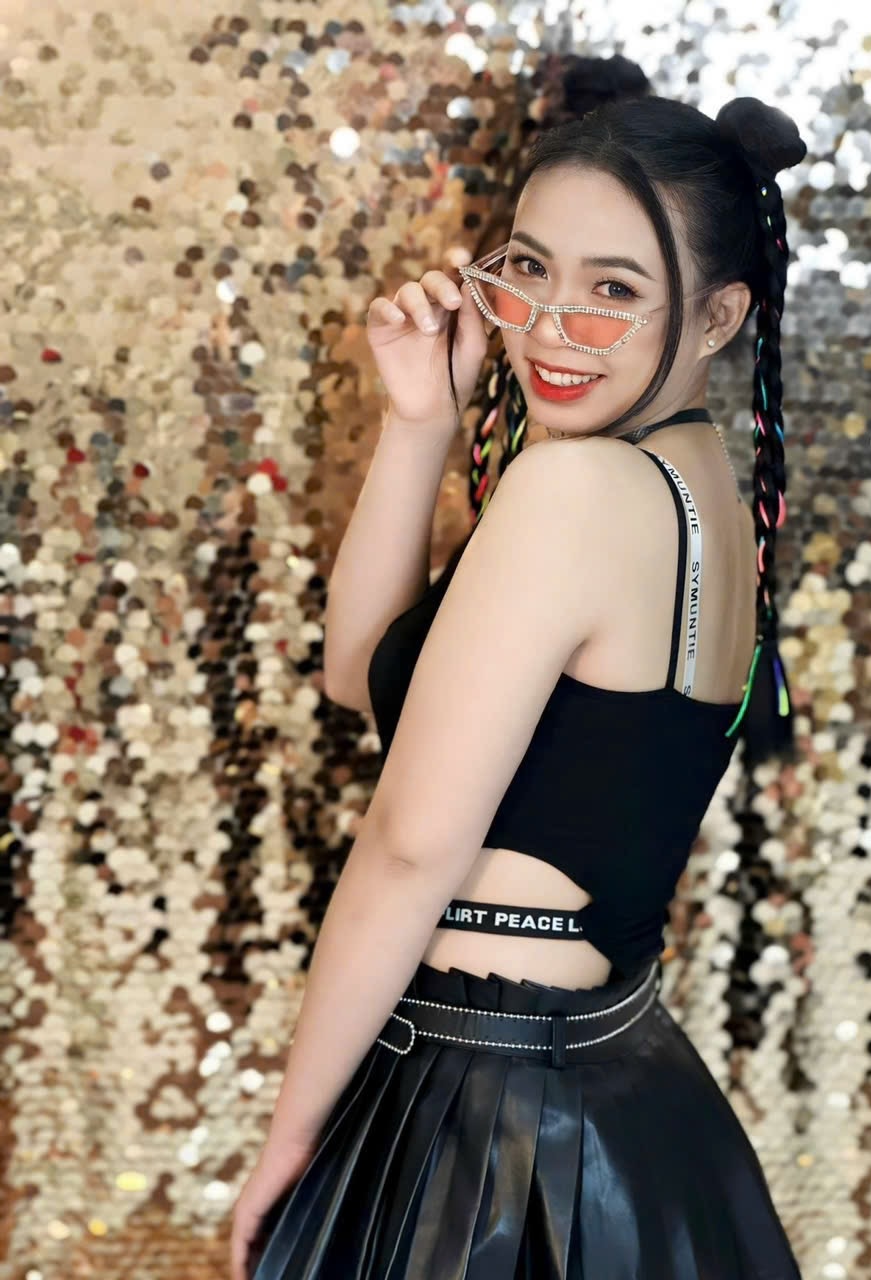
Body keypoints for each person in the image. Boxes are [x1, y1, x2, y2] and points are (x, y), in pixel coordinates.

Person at [230, 67, 808, 1280]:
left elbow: (409, 846)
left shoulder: (576, 487)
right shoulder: (696, 483)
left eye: (614, 290)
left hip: (483, 1121)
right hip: (609, 1095)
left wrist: (292, 1137)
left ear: (717, 317)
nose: (548, 325)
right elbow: (361, 675)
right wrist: (418, 422)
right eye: (530, 269)